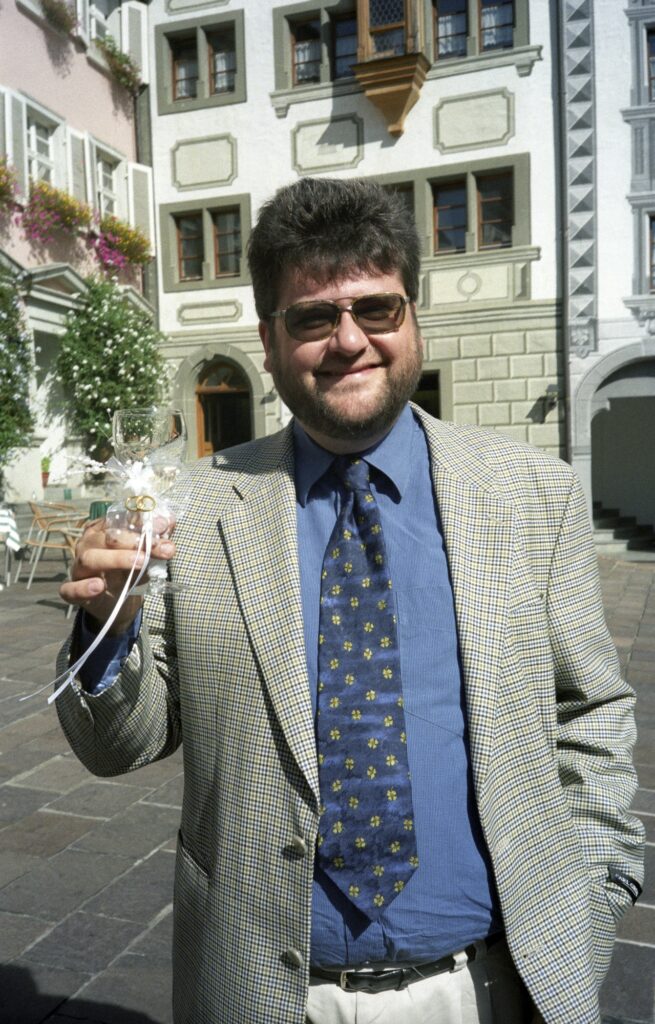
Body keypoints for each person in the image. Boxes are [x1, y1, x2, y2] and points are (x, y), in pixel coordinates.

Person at [56, 177, 644, 1024]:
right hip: (265, 994)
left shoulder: (529, 494)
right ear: (268, 341)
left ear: (412, 318)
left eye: (376, 308)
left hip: (492, 987)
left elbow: (588, 711)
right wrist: (108, 624)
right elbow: (122, 746)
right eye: (311, 317)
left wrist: (594, 894)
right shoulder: (195, 508)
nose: (348, 340)